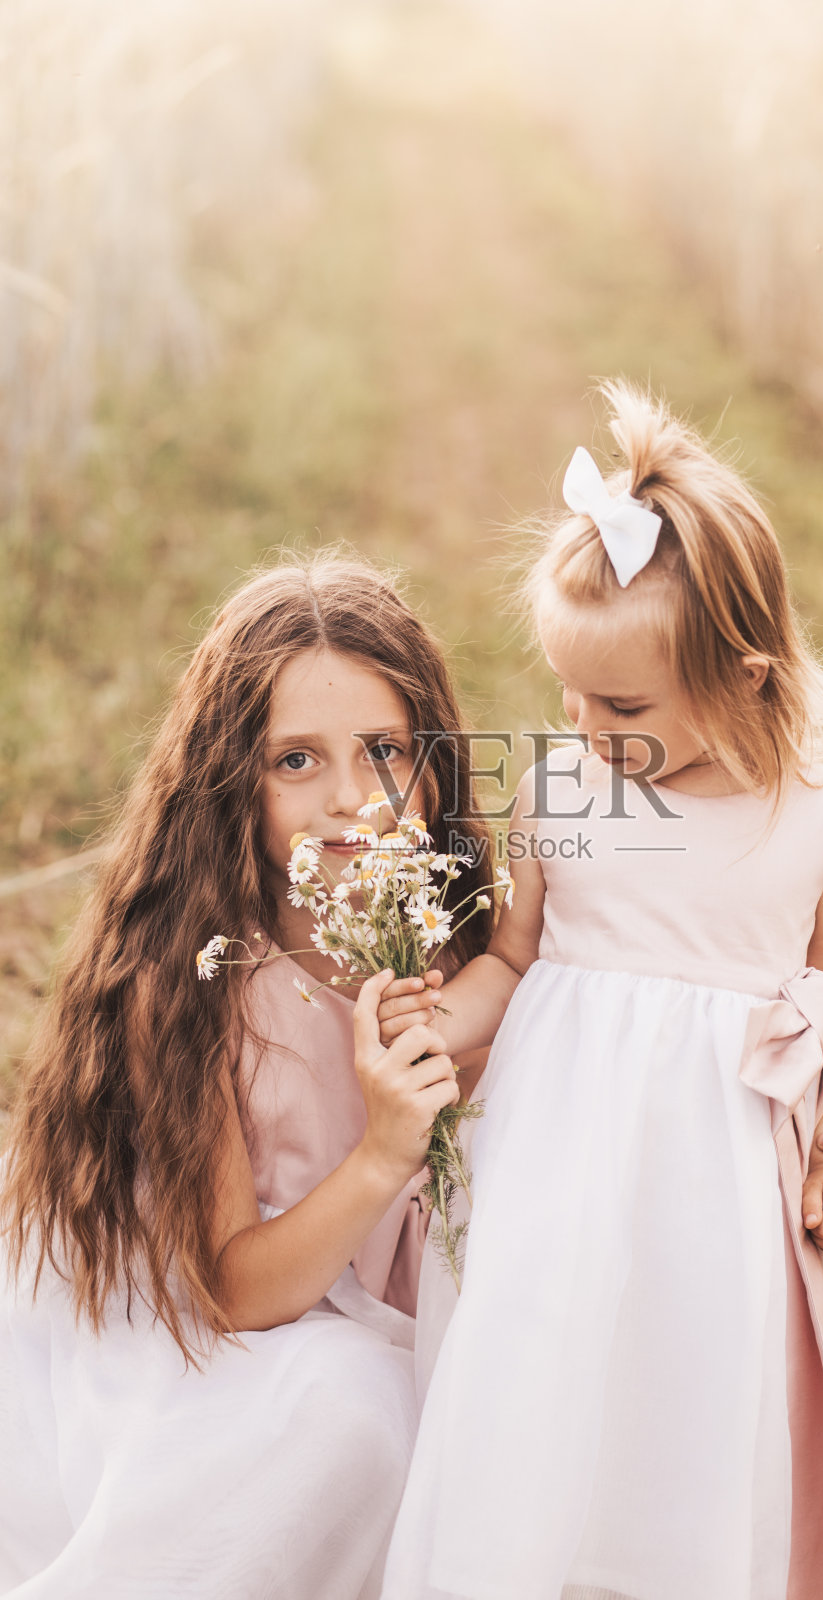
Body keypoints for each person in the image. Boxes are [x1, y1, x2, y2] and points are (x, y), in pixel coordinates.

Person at [378, 384, 823, 1600]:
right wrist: (435, 1024)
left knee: (686, 1404)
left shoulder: (822, 820)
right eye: (566, 694)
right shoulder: (559, 791)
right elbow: (510, 963)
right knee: (535, 1377)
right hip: (547, 1170)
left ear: (744, 675)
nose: (579, 725)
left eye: (619, 706)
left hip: (717, 1193)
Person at [0, 554, 493, 1598]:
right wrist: (380, 1151)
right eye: (295, 762)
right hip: (225, 1313)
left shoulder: (458, 943)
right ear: (232, 782)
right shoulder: (188, 982)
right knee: (351, 1413)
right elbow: (230, 1292)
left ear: (435, 765)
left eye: (384, 751)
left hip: (402, 1296)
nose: (351, 799)